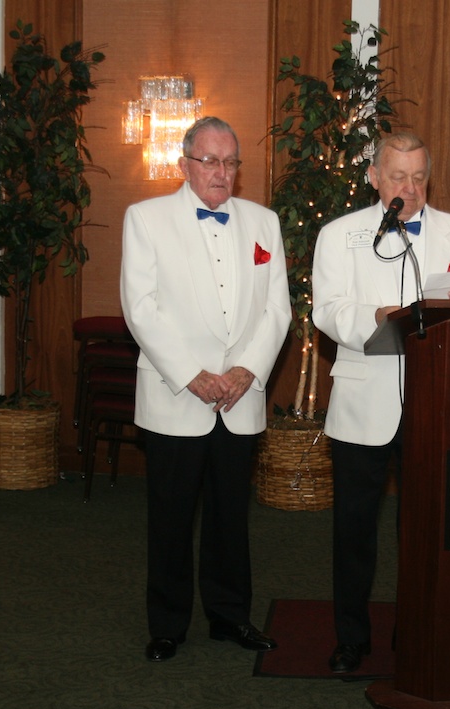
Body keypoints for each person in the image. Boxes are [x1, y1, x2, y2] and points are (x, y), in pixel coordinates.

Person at [311, 132, 450, 673]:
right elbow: (327, 310)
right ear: (374, 178)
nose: (409, 188)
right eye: (397, 177)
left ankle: (419, 632)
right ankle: (351, 638)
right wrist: (378, 316)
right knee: (354, 533)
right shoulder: (339, 234)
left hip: (434, 404)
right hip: (362, 404)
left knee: (427, 531)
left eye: (418, 178)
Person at [120, 117, 291, 662]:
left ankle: (230, 617)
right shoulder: (145, 219)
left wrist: (247, 370)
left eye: (230, 162)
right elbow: (140, 308)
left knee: (229, 516)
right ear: (185, 163)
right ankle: (167, 625)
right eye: (209, 161)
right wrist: (192, 374)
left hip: (240, 399)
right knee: (170, 518)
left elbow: (278, 310)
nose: (221, 172)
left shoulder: (264, 223)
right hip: (177, 396)